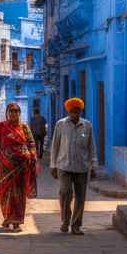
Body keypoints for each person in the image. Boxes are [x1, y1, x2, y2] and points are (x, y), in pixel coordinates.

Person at [0, 102, 39, 231]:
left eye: (16, 111)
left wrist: (32, 155)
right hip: (5, 168)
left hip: (21, 167)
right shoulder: (1, 127)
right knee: (4, 193)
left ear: (19, 113)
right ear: (7, 113)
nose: (14, 113)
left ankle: (16, 221)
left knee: (19, 194)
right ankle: (7, 217)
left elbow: (31, 143)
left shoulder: (24, 127)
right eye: (11, 111)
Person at [49, 96, 94, 235]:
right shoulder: (60, 124)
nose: (75, 113)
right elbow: (55, 145)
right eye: (73, 110)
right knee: (65, 192)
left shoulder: (87, 125)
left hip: (82, 166)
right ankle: (65, 221)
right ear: (68, 111)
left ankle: (76, 225)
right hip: (64, 166)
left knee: (81, 197)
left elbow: (91, 146)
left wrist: (93, 165)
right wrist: (53, 165)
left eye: (78, 110)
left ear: (81, 111)